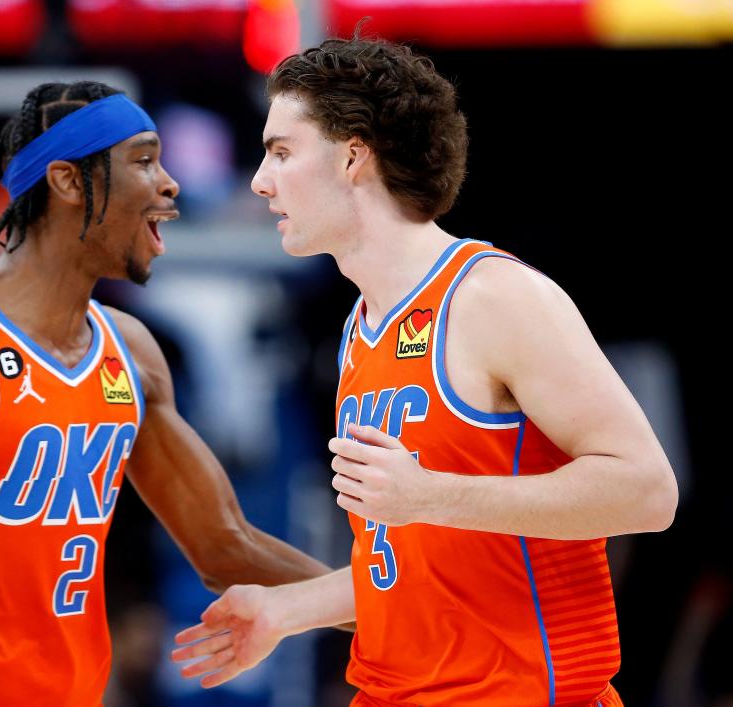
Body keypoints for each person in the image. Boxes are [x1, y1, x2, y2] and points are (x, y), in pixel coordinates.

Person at [0, 81, 330, 707]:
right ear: (69, 182)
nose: (170, 183)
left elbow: (224, 545)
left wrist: (389, 606)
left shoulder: (131, 353)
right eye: (145, 160)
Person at [172, 37, 679, 706]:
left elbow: (647, 490)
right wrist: (285, 610)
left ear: (353, 155)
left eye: (282, 151)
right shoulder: (362, 326)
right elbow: (421, 560)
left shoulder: (492, 297)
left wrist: (433, 494)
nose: (261, 180)